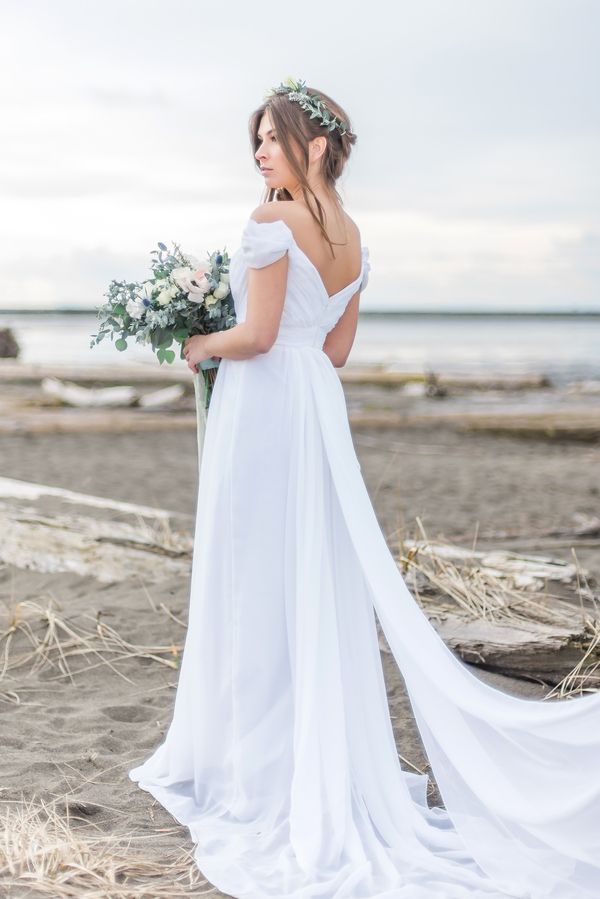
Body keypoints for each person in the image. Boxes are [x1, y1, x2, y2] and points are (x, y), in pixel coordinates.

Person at [129, 78, 600, 899]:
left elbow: (261, 335)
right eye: (255, 143)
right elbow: (334, 350)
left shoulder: (271, 222)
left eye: (271, 138)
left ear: (313, 146)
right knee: (307, 577)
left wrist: (199, 340)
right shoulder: (353, 237)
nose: (259, 154)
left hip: (268, 412)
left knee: (257, 580)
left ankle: (253, 765)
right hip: (315, 409)